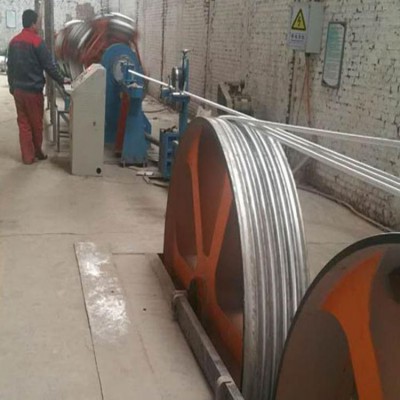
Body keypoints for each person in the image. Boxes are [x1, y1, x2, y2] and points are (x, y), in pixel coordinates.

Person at [7, 9, 65, 164]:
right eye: (38, 22)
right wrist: (62, 80)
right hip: (33, 92)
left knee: (23, 124)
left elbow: (10, 67)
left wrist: (12, 86)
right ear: (33, 23)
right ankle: (38, 152)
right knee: (36, 124)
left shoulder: (13, 42)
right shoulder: (37, 42)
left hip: (18, 91)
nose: (39, 25)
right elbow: (49, 66)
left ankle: (27, 156)